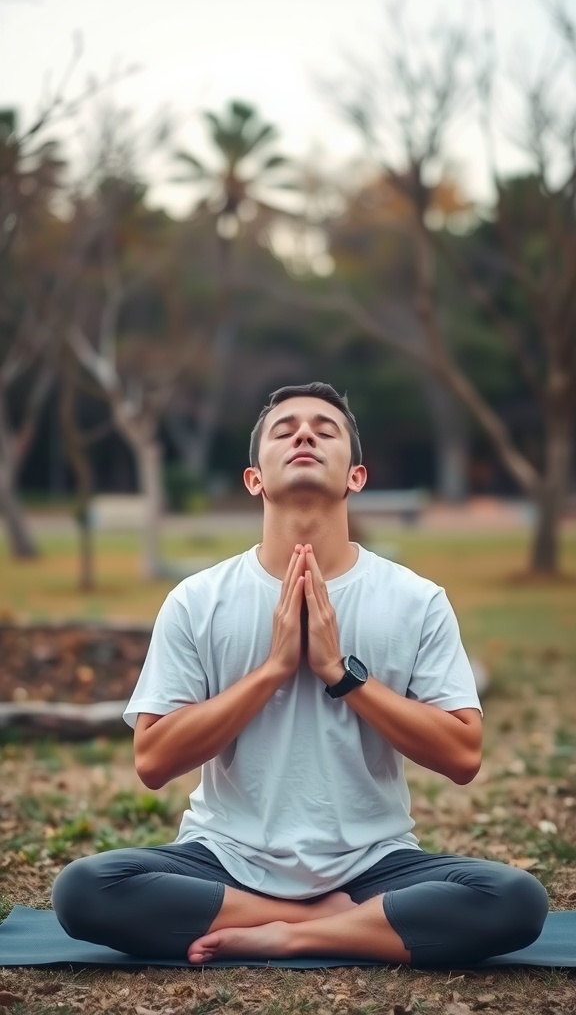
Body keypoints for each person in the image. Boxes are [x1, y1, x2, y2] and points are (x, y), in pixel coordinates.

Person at [52, 382, 548, 967]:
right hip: (226, 860)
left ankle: (289, 934)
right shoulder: (197, 600)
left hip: (371, 863)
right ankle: (330, 923)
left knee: (515, 899)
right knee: (84, 889)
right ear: (254, 479)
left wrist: (342, 675)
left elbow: (463, 755)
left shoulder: (416, 600)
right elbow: (153, 760)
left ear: (354, 478)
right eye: (285, 430)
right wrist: (273, 671)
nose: (305, 434)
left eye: (325, 429)